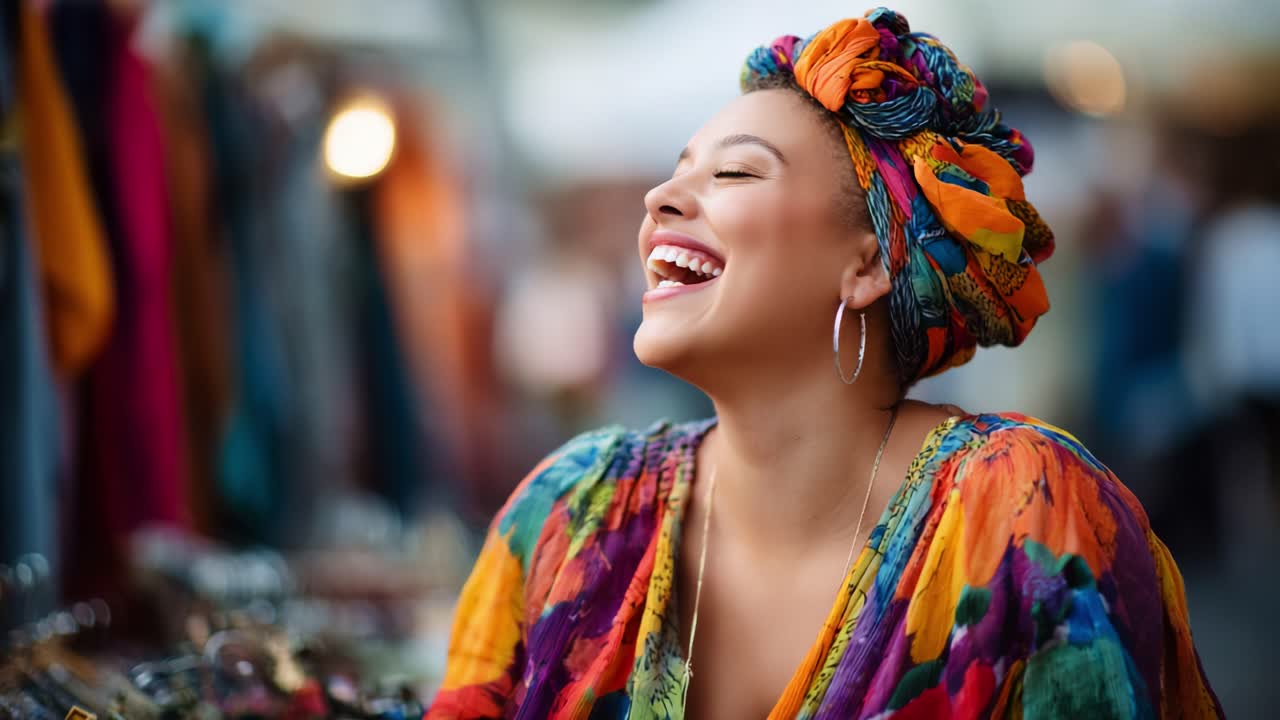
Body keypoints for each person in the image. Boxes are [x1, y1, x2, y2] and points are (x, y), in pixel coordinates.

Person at [425, 7, 1222, 719]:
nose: (658, 198)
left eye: (734, 172)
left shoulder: (1024, 514)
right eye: (678, 168)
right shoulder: (569, 513)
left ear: (868, 263)